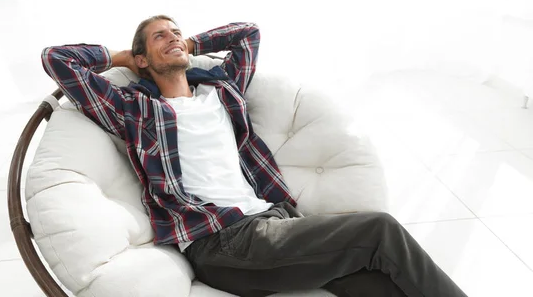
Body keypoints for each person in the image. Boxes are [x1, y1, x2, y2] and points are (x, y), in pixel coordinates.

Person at [41, 15, 467, 297]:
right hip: (222, 242)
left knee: (381, 285)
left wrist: (187, 43)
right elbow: (57, 60)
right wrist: (121, 59)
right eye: (160, 36)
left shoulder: (221, 90)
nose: (172, 37)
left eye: (176, 31)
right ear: (141, 59)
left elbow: (248, 33)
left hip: (274, 223)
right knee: (379, 230)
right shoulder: (135, 110)